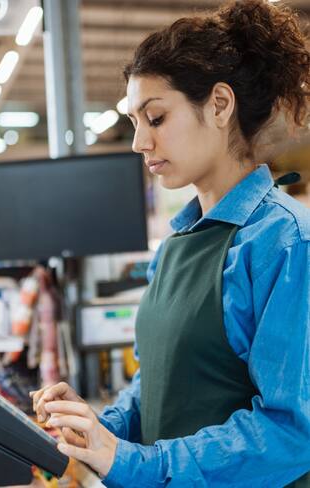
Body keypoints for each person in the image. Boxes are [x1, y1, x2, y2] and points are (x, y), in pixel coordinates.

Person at [31, 1, 310, 486]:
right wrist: (99, 428)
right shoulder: (179, 244)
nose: (139, 141)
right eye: (134, 121)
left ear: (220, 105)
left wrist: (140, 463)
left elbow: (292, 430)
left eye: (155, 118)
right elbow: (158, 384)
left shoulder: (286, 243)